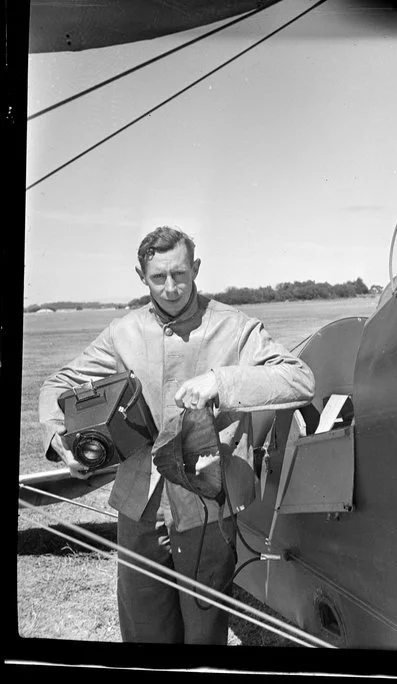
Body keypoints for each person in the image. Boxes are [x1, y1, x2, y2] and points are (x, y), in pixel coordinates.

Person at [39, 226, 315, 645]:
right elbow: (58, 385)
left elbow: (299, 379)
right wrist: (59, 438)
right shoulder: (123, 332)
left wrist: (220, 382)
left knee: (204, 635)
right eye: (158, 277)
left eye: (180, 275)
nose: (170, 288)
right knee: (143, 633)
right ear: (141, 276)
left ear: (196, 268)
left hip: (208, 508)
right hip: (139, 510)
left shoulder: (236, 327)